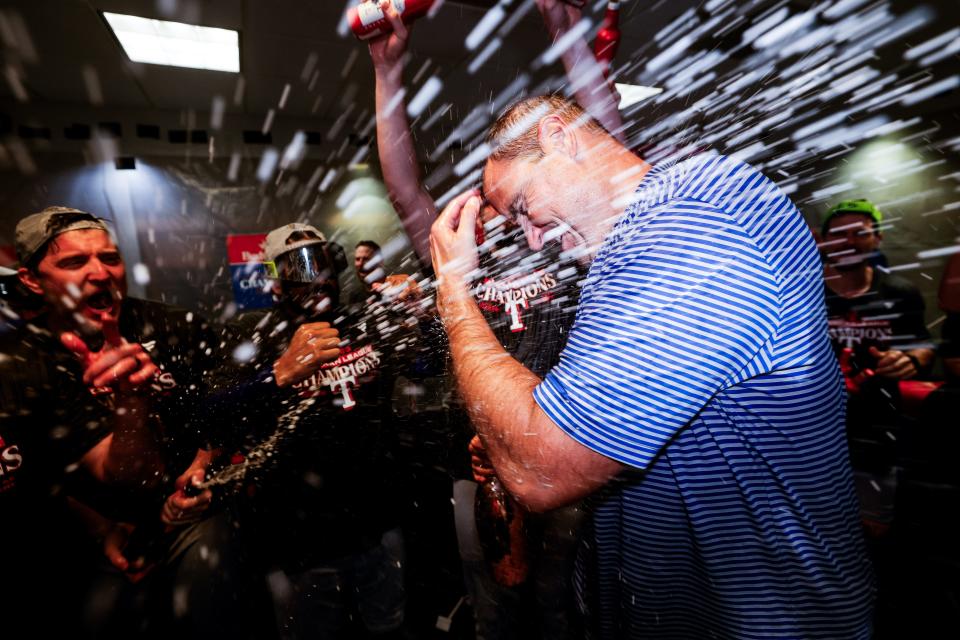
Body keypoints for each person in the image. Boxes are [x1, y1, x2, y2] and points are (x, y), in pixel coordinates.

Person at [428, 95, 875, 638]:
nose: (530, 237)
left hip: (764, 620)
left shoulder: (694, 220)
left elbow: (542, 470)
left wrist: (453, 291)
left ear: (558, 137)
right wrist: (530, 411)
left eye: (522, 205)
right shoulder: (632, 248)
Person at [367, 2, 622, 637]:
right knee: (491, 604)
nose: (499, 217)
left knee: (563, 600)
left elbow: (607, 150)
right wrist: (386, 71)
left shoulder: (560, 237)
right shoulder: (464, 259)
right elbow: (402, 187)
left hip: (563, 442)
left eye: (507, 200)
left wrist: (565, 31)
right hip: (478, 460)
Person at [1, 206, 271, 639]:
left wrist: (203, 463)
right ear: (32, 280)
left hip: (193, 516)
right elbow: (44, 472)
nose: (100, 273)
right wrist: (100, 525)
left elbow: (238, 380)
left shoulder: (168, 326)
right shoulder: (26, 362)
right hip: (103, 539)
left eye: (109, 257)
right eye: (74, 262)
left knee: (216, 602)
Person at [210, 222, 433, 639]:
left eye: (321, 261)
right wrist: (277, 374)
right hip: (301, 542)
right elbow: (214, 415)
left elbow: (426, 366)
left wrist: (424, 318)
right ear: (276, 283)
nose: (314, 278)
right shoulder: (257, 336)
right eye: (297, 268)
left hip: (378, 525)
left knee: (390, 627)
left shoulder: (363, 320)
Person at [820, 198, 935, 535]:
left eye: (860, 233)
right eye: (839, 234)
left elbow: (922, 344)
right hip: (811, 434)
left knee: (874, 529)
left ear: (877, 238)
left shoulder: (900, 292)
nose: (849, 242)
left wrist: (912, 360)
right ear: (824, 240)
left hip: (877, 430)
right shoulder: (802, 292)